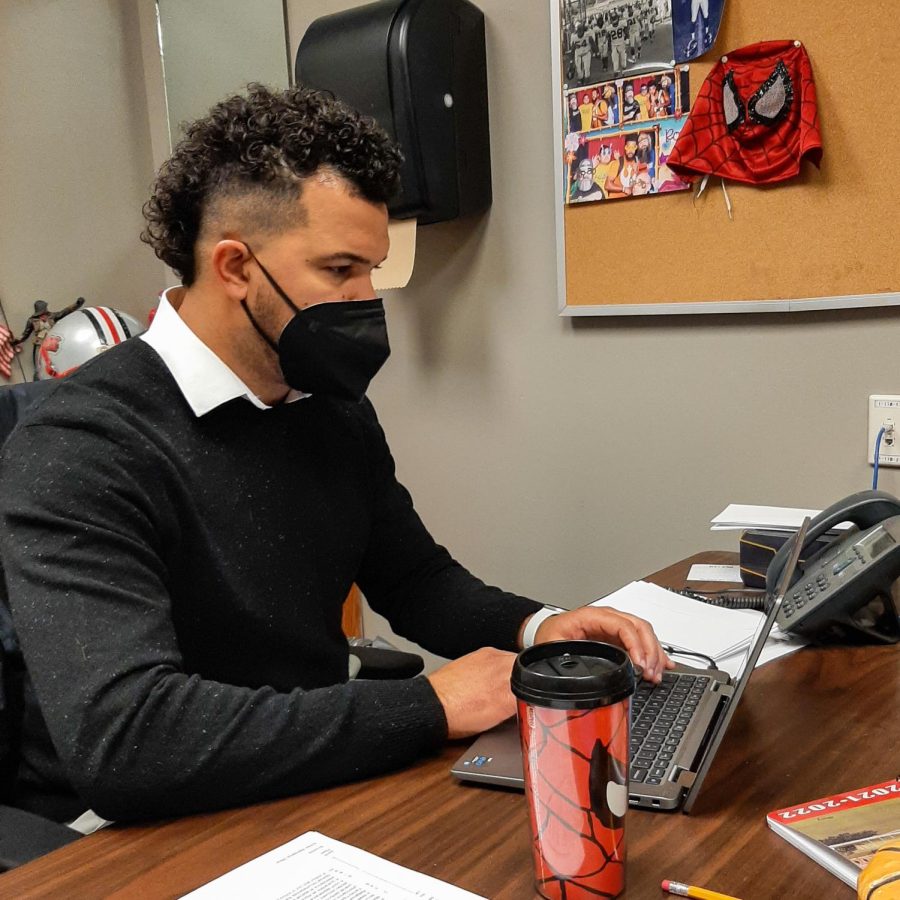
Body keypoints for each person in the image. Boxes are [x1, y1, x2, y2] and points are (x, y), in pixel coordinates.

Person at [0, 85, 671, 825]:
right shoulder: (79, 446)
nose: (366, 300)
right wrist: (427, 706)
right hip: (141, 830)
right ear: (234, 267)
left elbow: (416, 581)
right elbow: (129, 742)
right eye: (341, 270)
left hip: (311, 782)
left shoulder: (329, 408)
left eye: (372, 271)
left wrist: (542, 628)